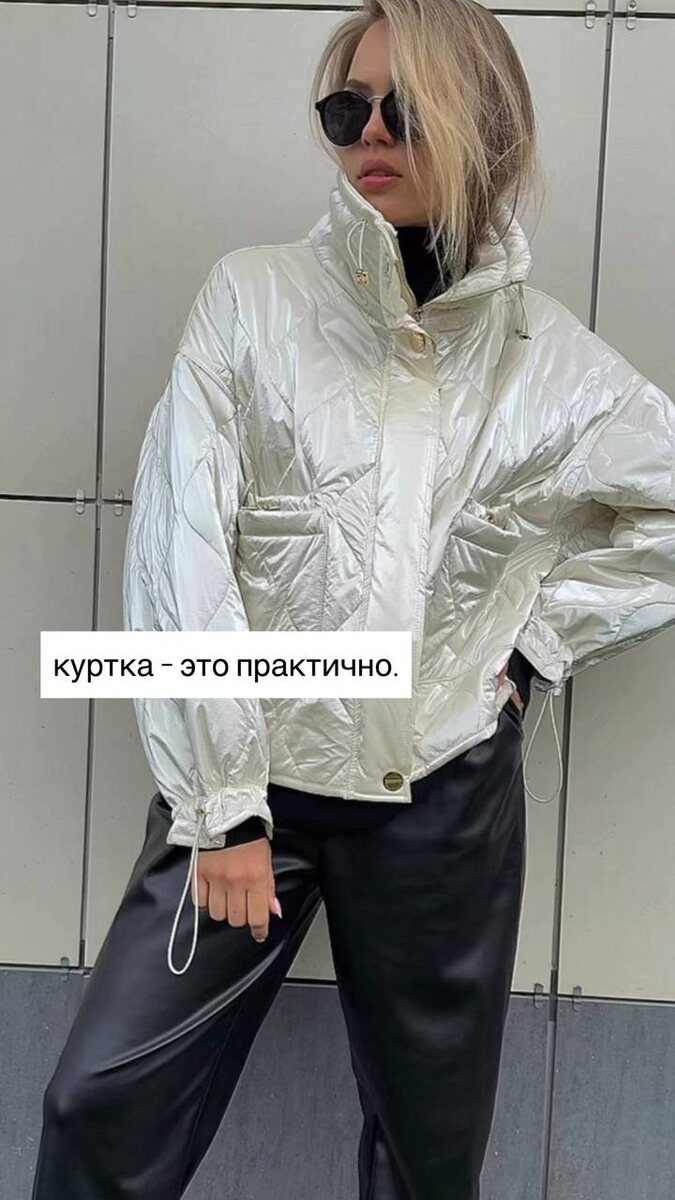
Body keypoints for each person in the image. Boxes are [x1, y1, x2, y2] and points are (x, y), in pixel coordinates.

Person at [32, 1, 675, 1197]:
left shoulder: (551, 362)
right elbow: (181, 550)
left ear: (486, 125)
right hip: (254, 782)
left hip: (444, 794)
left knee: (431, 1157)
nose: (371, 132)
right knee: (98, 1109)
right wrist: (224, 808)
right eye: (346, 108)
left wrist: (538, 642)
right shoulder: (254, 301)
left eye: (406, 109)